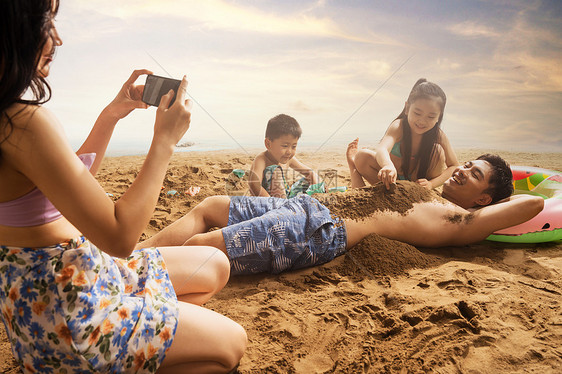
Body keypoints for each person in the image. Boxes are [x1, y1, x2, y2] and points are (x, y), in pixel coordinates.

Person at [0, 1, 246, 373]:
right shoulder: (24, 123)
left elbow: (61, 184)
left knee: (214, 264)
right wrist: (165, 141)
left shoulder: (8, 121)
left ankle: (146, 336)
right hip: (73, 313)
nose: (57, 38)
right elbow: (120, 235)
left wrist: (111, 114)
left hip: (56, 291)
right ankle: (125, 351)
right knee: (231, 345)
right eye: (44, 23)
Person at [138, 155, 544, 275]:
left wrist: (497, 200)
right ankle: (132, 253)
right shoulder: (424, 190)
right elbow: (368, 161)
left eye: (475, 174)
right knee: (209, 206)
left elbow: (534, 204)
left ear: (484, 200)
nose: (462, 170)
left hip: (320, 229)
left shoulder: (461, 221)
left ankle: (136, 278)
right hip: (310, 205)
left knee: (202, 246)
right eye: (467, 163)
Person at [348, 78, 459, 190]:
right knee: (361, 157)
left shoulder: (438, 135)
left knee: (438, 151)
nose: (422, 121)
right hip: (392, 181)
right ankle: (385, 189)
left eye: (430, 117)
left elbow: (454, 166)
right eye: (417, 113)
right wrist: (387, 165)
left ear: (439, 117)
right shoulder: (398, 127)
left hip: (419, 186)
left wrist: (431, 184)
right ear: (407, 108)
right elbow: (382, 149)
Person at [248, 114, 319, 198]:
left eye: (293, 146)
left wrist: (316, 188)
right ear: (268, 144)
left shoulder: (289, 159)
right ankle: (283, 206)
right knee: (275, 170)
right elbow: (254, 184)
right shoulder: (262, 159)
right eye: (285, 146)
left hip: (285, 197)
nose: (289, 152)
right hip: (267, 201)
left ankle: (305, 201)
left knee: (309, 180)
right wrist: (269, 200)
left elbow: (309, 172)